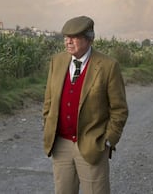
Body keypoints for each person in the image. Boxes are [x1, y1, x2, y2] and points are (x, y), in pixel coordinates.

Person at [42, 15, 129, 194]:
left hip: (92, 145)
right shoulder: (56, 61)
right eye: (66, 37)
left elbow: (119, 109)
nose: (68, 42)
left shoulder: (108, 66)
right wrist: (48, 126)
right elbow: (49, 101)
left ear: (89, 39)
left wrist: (107, 140)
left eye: (74, 37)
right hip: (61, 144)